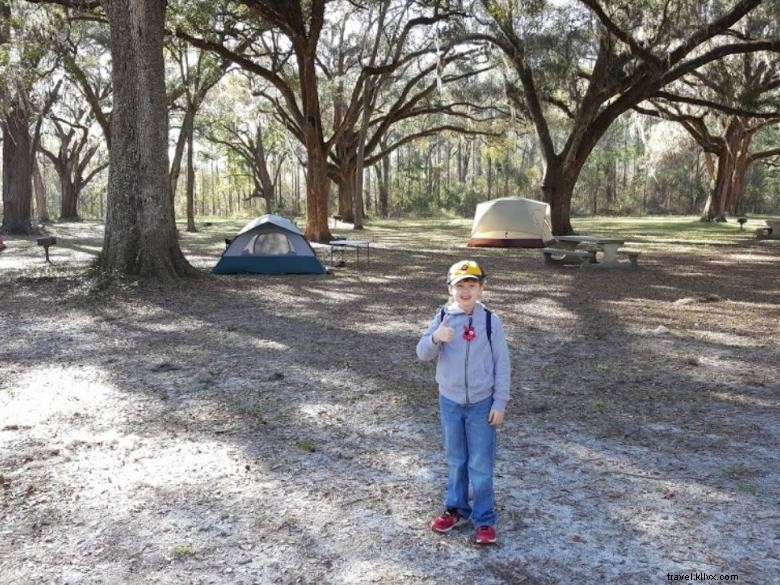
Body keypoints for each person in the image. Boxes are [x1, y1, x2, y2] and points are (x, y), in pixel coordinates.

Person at [416, 259, 511, 545]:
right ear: (450, 289)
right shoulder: (443, 316)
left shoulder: (491, 322)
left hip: (483, 403)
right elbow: (422, 353)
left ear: (482, 288)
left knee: (480, 464)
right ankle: (457, 508)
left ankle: (484, 519)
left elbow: (502, 364)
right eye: (460, 286)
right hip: (451, 402)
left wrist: (500, 403)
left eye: (472, 285)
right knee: (456, 459)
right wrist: (436, 337)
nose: (466, 291)